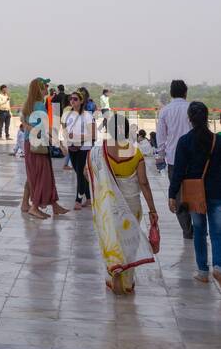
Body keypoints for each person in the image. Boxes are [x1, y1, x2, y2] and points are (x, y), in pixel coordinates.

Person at [87, 112, 157, 295]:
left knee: (113, 238)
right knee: (130, 241)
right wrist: (152, 209)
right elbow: (143, 182)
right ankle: (127, 282)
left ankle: (114, 269)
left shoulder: (98, 151)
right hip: (132, 204)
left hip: (110, 205)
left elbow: (88, 175)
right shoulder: (135, 152)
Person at [168, 101, 221, 284]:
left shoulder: (184, 141)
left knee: (199, 230)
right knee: (217, 231)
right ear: (206, 118)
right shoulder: (217, 140)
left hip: (194, 193)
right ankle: (218, 266)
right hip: (216, 191)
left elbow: (179, 171)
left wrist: (172, 194)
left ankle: (202, 271)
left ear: (189, 119)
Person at [20, 77, 68, 219]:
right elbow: (45, 129)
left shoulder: (27, 105)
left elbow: (24, 125)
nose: (47, 89)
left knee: (33, 174)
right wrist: (59, 144)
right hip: (39, 145)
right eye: (45, 86)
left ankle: (51, 205)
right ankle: (34, 207)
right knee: (43, 176)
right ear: (39, 89)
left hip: (30, 144)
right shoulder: (39, 106)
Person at [157, 80, 194, 241]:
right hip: (193, 158)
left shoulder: (165, 111)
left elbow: (161, 137)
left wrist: (160, 154)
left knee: (177, 195)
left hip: (173, 159)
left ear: (171, 93)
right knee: (195, 191)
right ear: (185, 92)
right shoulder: (192, 108)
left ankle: (187, 230)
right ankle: (198, 226)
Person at [63, 88, 94, 209]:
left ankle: (78, 200)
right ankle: (89, 198)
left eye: (75, 99)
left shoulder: (87, 116)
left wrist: (78, 137)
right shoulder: (68, 114)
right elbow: (65, 130)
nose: (72, 101)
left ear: (81, 101)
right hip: (72, 147)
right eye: (71, 99)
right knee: (79, 172)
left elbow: (92, 134)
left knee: (80, 174)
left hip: (84, 147)